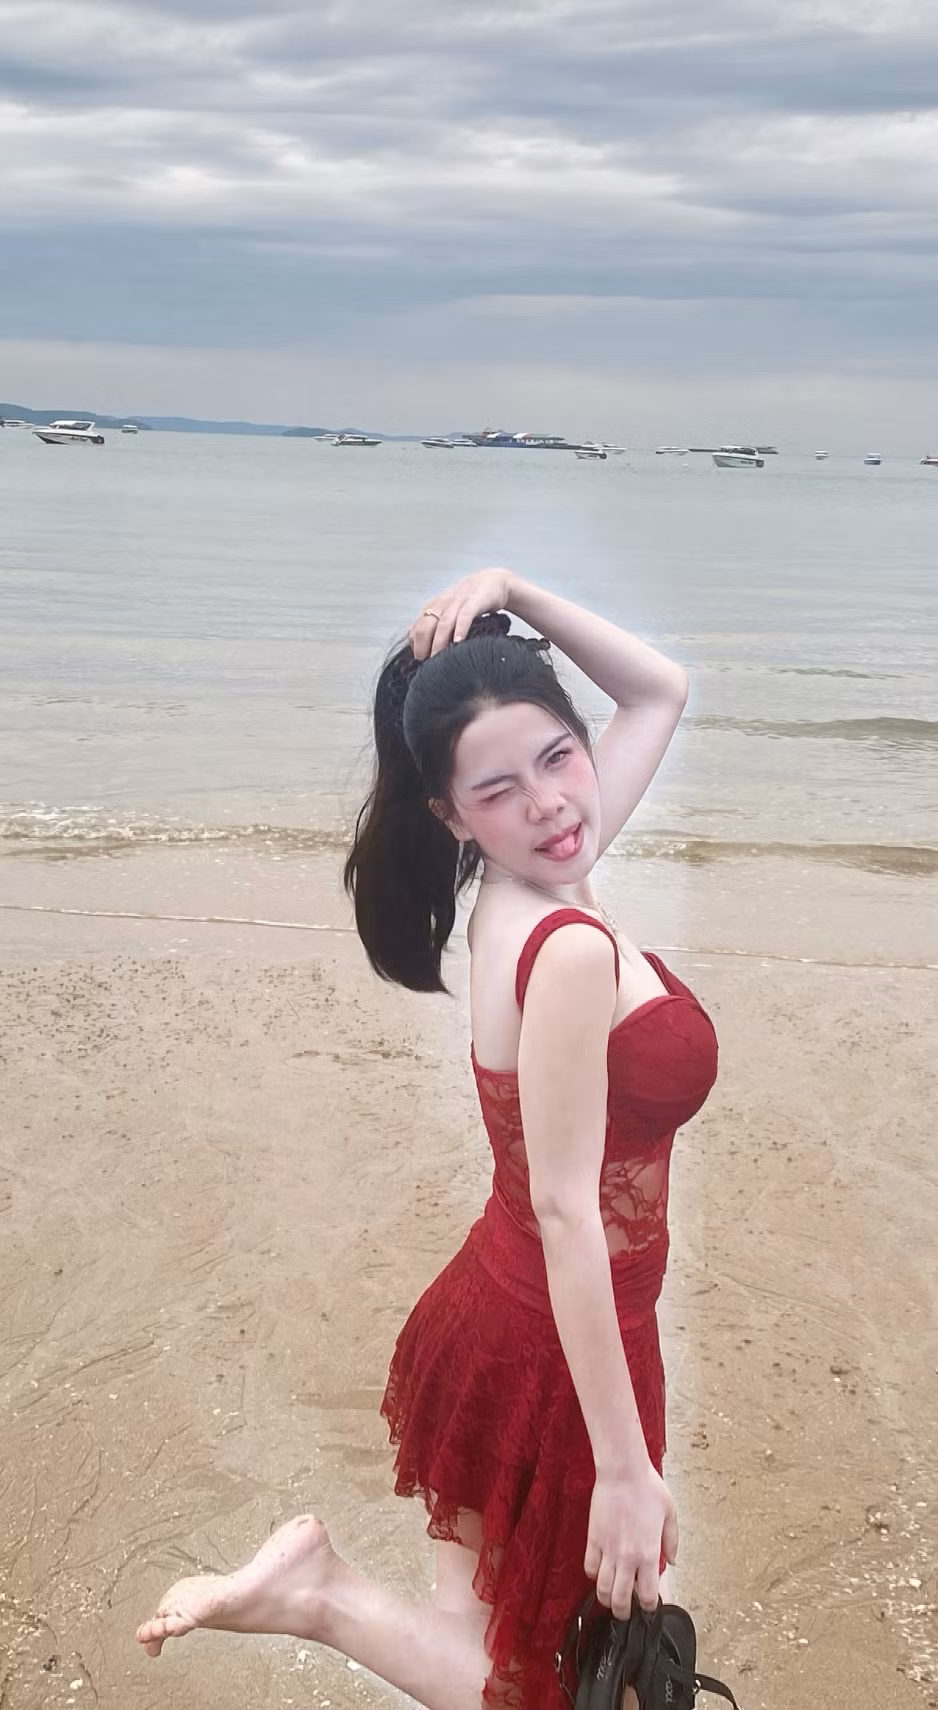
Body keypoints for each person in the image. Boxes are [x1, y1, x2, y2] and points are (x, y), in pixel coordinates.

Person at [136, 568, 719, 1709]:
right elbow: (567, 1210)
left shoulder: (530, 881)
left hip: (503, 1311)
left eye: (560, 756)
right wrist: (622, 1467)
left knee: (486, 1642)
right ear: (453, 815)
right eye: (500, 789)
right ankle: (320, 1599)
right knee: (545, 1688)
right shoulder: (565, 946)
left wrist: (515, 591)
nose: (550, 803)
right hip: (560, 1346)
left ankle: (316, 1591)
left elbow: (659, 690)